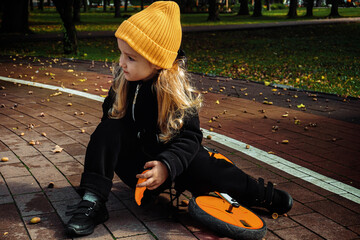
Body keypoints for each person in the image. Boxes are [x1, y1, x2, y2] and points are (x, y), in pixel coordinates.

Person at [65, 1, 293, 237]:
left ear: (156, 61)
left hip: (175, 165)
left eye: (130, 58)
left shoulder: (175, 92)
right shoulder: (123, 82)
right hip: (139, 170)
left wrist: (166, 165)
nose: (121, 63)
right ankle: (93, 200)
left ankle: (257, 193)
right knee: (108, 129)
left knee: (204, 163)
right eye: (121, 53)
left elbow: (191, 137)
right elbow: (109, 136)